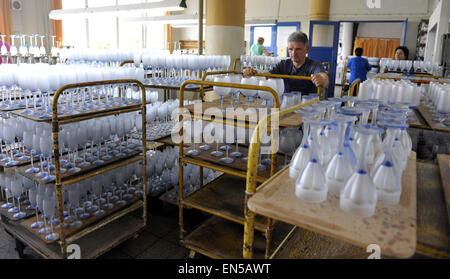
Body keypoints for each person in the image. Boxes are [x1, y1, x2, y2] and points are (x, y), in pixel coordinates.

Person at [244, 31, 329, 94]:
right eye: (290, 49)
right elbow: (267, 75)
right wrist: (255, 73)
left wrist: (323, 80)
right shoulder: (284, 64)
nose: (293, 53)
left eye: (298, 49)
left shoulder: (315, 65)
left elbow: (324, 78)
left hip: (307, 108)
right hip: (287, 105)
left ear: (307, 49)